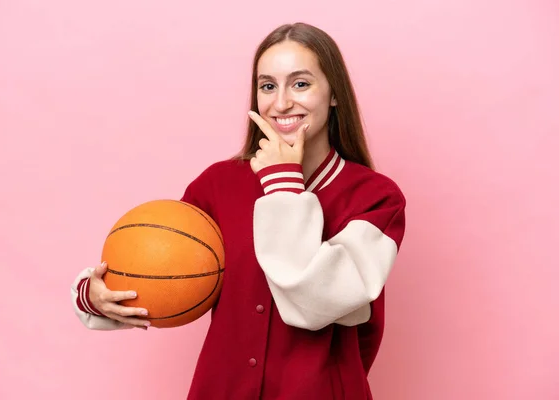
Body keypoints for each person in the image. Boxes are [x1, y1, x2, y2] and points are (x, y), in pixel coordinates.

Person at [70, 22, 406, 400]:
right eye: (267, 86)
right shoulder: (216, 185)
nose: (280, 103)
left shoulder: (377, 198)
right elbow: (160, 273)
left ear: (333, 94)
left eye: (300, 84)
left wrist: (282, 182)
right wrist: (93, 296)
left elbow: (317, 303)